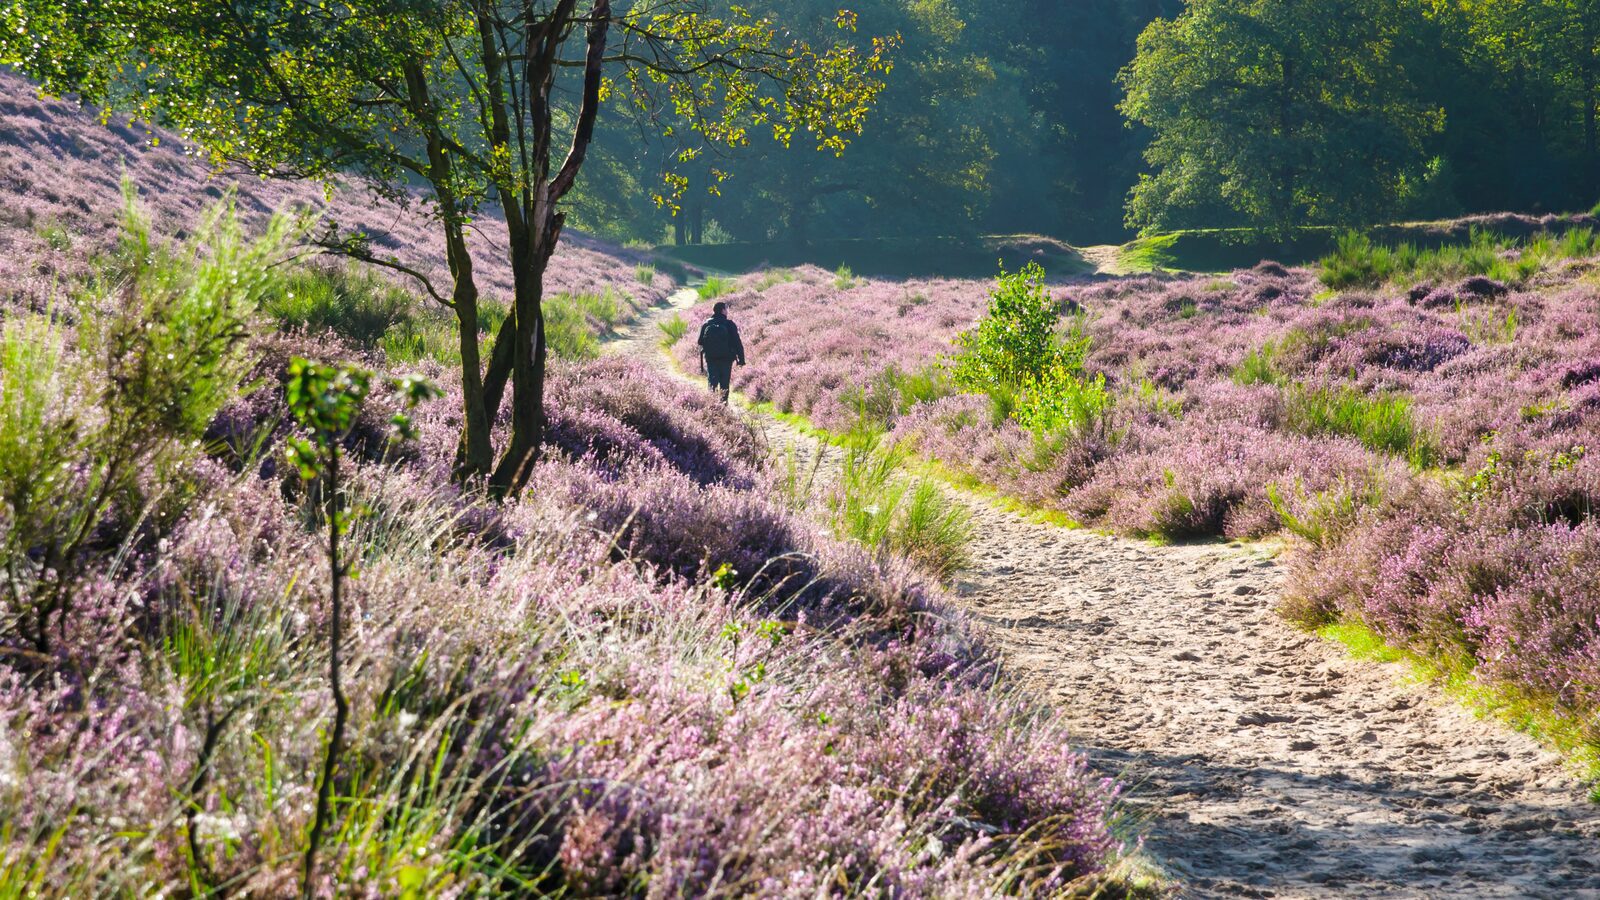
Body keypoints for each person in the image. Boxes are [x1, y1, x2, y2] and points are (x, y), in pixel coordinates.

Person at [697, 301, 746, 403]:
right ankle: (724, 407)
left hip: (711, 359)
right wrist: (741, 360)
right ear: (723, 310)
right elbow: (737, 343)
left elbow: (700, 341)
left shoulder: (706, 323)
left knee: (712, 383)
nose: (727, 311)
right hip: (726, 360)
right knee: (724, 385)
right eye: (726, 309)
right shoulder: (729, 324)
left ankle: (712, 407)